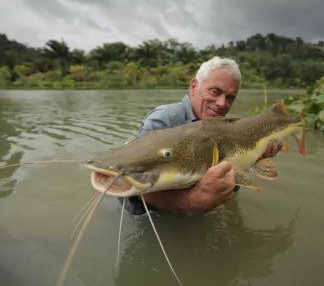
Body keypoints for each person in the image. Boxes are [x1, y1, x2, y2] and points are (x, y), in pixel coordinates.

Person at [121, 56, 282, 216]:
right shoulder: (162, 120)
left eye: (230, 98)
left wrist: (255, 157)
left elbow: (231, 189)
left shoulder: (225, 127)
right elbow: (135, 181)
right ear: (193, 87)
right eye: (215, 91)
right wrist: (189, 203)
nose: (222, 103)